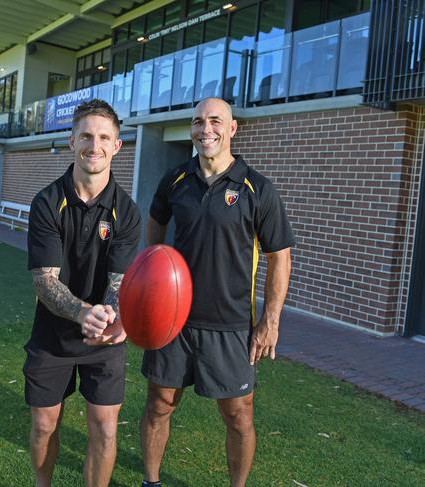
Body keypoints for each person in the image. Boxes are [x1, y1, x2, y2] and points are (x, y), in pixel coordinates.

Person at [139, 98, 294, 487]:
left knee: (238, 415)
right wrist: (152, 276)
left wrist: (270, 321)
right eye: (197, 122)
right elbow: (155, 223)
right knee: (159, 405)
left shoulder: (257, 188)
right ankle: (151, 482)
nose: (205, 129)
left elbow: (280, 258)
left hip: (231, 324)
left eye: (214, 121)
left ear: (232, 128)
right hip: (174, 319)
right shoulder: (174, 179)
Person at [24, 99, 141, 487]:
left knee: (105, 429)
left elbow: (119, 282)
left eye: (104, 137)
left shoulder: (127, 210)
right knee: (43, 425)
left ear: (117, 146)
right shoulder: (47, 202)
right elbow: (44, 279)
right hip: (54, 333)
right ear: (72, 140)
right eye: (87, 136)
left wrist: (108, 316)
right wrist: (81, 313)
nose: (95, 145)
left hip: (104, 336)